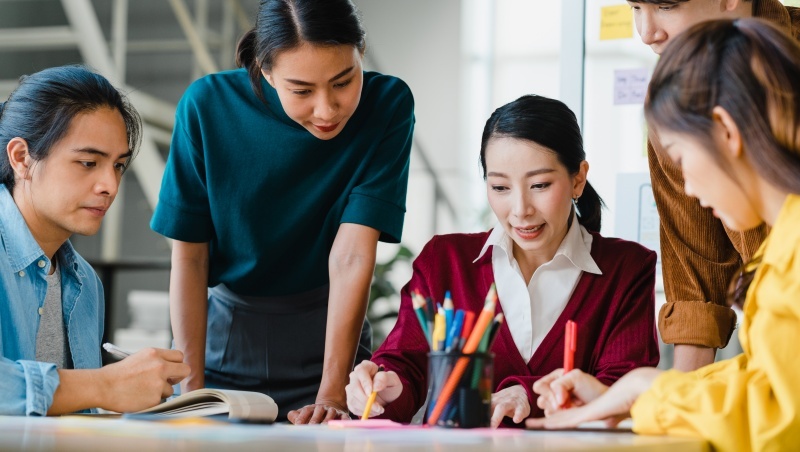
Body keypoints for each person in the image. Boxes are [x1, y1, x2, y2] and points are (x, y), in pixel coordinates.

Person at [528, 19, 800, 451]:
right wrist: (637, 391)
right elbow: (770, 378)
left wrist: (650, 394)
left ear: (726, 131)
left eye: (681, 158)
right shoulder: (784, 240)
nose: (688, 188)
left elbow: (777, 418)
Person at [150, 0, 414, 424]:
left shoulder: (388, 105)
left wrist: (332, 392)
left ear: (360, 50)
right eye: (302, 90)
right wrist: (191, 390)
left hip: (331, 342)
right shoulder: (207, 106)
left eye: (343, 82)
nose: (327, 110)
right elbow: (190, 257)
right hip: (226, 343)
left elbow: (351, 255)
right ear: (267, 71)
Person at [345, 95, 659, 428]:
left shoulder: (627, 268)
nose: (520, 208)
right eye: (500, 187)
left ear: (578, 179)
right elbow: (405, 366)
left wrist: (527, 395)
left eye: (539, 185)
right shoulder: (444, 261)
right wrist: (384, 390)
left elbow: (625, 389)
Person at [0, 65, 190, 416]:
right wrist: (106, 384)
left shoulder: (85, 283)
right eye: (88, 162)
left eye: (118, 166)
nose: (110, 186)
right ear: (21, 158)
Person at [627, 0, 798, 371]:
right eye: (635, 8)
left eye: (666, 6)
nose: (647, 33)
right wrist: (669, 403)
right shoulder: (671, 98)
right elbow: (695, 278)